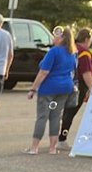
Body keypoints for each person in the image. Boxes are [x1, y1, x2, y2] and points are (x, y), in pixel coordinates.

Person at [24, 27, 77, 156]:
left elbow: (43, 72)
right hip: (65, 88)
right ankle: (52, 148)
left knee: (42, 116)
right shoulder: (72, 52)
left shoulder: (53, 52)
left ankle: (34, 147)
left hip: (49, 88)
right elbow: (73, 71)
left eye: (55, 36)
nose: (53, 38)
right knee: (55, 116)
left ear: (62, 38)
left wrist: (33, 89)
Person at [59, 28, 92, 146]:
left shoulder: (70, 48)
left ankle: (57, 137)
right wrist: (91, 87)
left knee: (65, 111)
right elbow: (86, 72)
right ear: (86, 39)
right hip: (79, 85)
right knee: (71, 112)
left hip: (65, 81)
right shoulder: (84, 52)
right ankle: (62, 139)